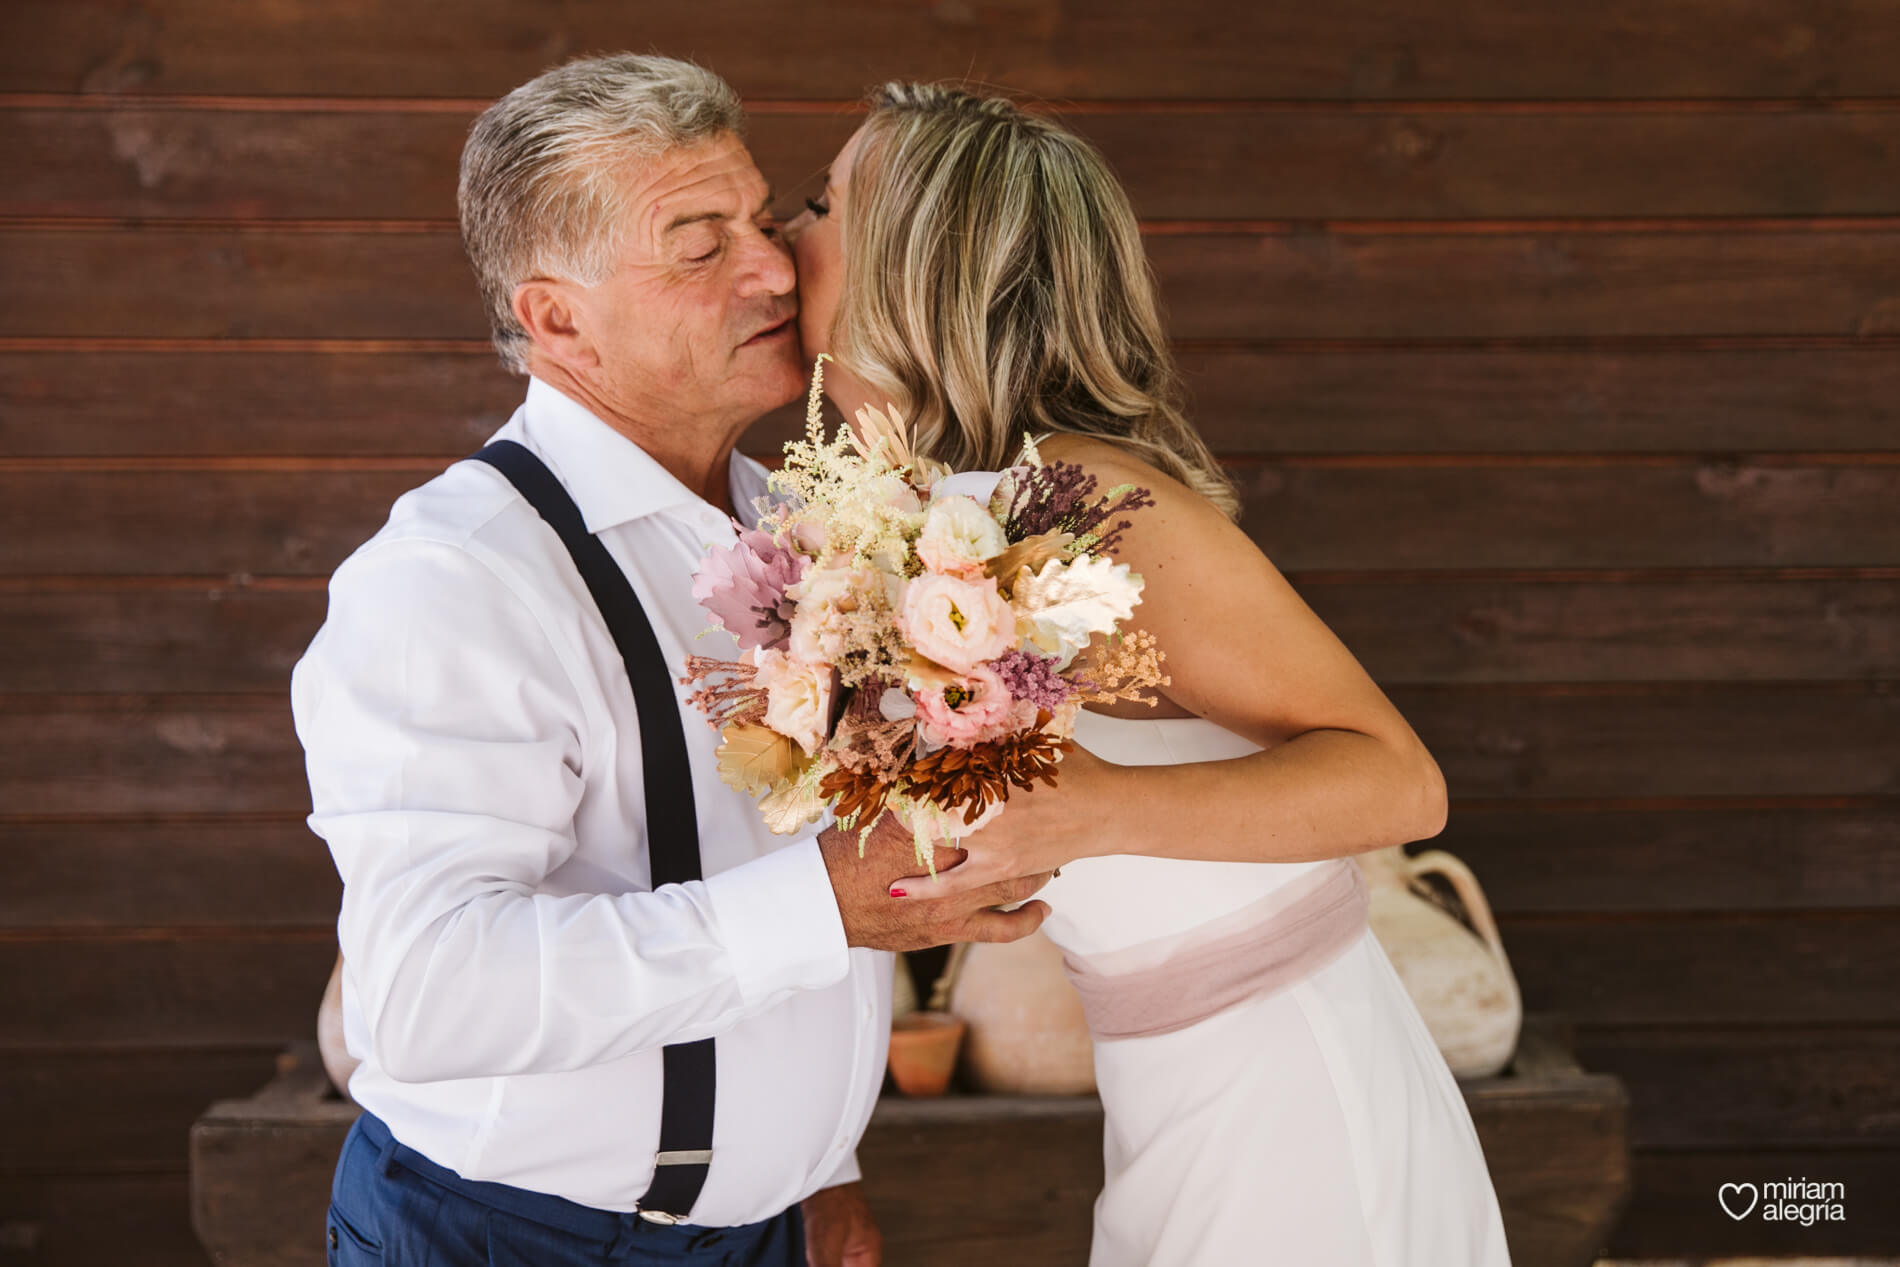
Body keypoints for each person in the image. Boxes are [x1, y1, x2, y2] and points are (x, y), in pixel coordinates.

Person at [291, 56, 1053, 1267]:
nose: (770, 268)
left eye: (760, 220)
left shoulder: (803, 523)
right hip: (511, 1240)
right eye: (698, 247)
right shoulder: (453, 577)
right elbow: (432, 992)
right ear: (555, 319)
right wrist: (826, 905)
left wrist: (816, 1166)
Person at [782, 82, 1515, 1267]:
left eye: (817, 203)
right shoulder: (919, 519)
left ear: (914, 265)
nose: (778, 233)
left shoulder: (1091, 506)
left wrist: (1104, 807)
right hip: (1171, 1094)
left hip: (1295, 1110)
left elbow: (1400, 783)